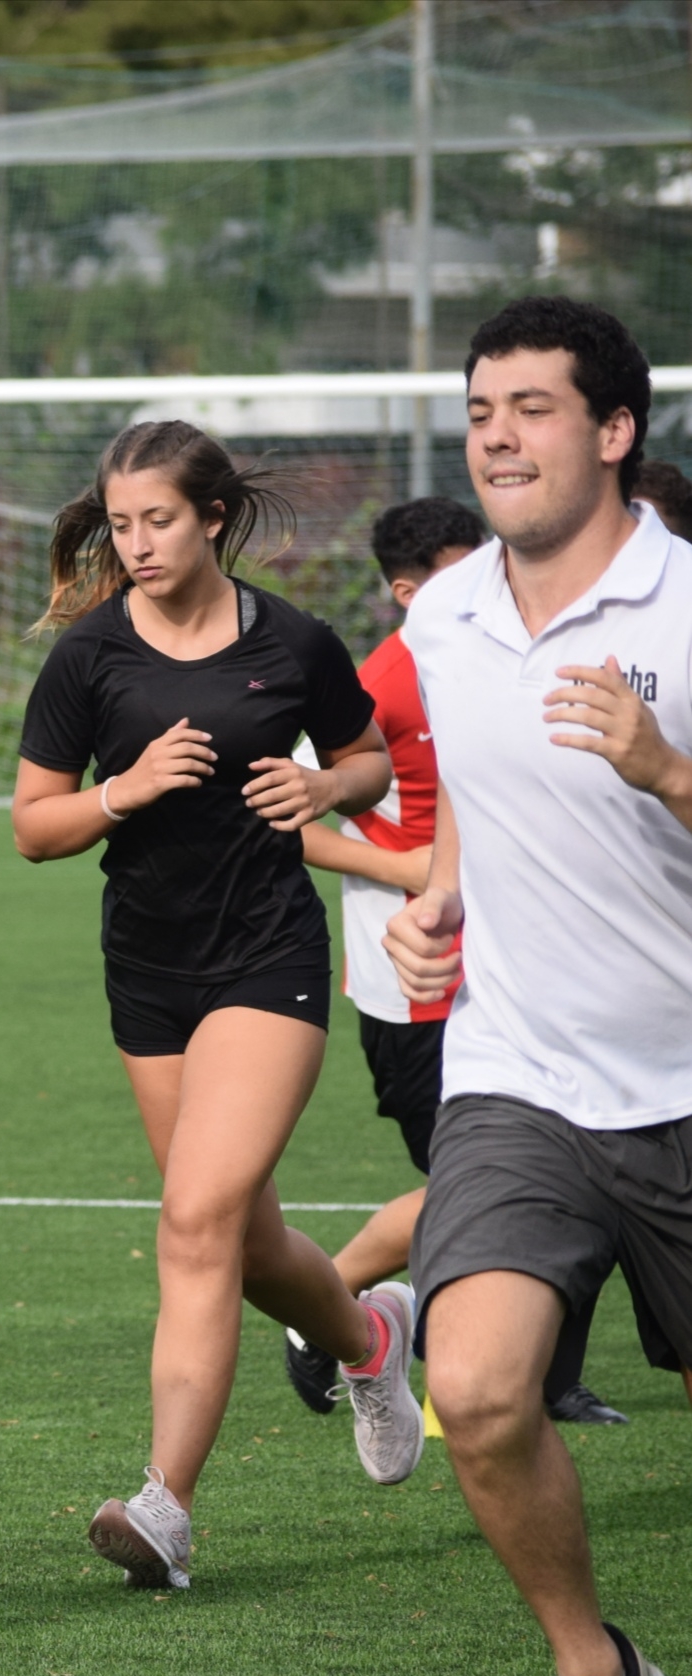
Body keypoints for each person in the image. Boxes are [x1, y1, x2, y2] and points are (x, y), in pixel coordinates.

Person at [12, 419, 425, 1593]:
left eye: (155, 520)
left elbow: (365, 763)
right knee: (239, 1243)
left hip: (267, 958)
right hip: (147, 970)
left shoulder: (291, 639)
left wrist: (319, 782)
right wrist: (121, 793)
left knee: (192, 1218)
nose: (134, 543)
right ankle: (367, 1335)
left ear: (208, 517)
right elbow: (32, 824)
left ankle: (164, 1508)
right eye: (118, 523)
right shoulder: (88, 660)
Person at [387, 295, 689, 1676]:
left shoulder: (688, 611)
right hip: (516, 1079)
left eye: (532, 408)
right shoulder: (441, 615)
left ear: (614, 430)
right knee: (481, 1385)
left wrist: (660, 768)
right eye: (480, 408)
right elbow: (472, 797)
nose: (496, 435)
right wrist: (443, 893)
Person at [281, 498, 629, 1425]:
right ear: (409, 592)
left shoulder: (511, 663)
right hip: (415, 981)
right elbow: (290, 817)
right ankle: (330, 1310)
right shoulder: (382, 681)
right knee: (477, 1192)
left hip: (518, 962)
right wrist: (407, 869)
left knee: (558, 1171)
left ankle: (540, 1380)